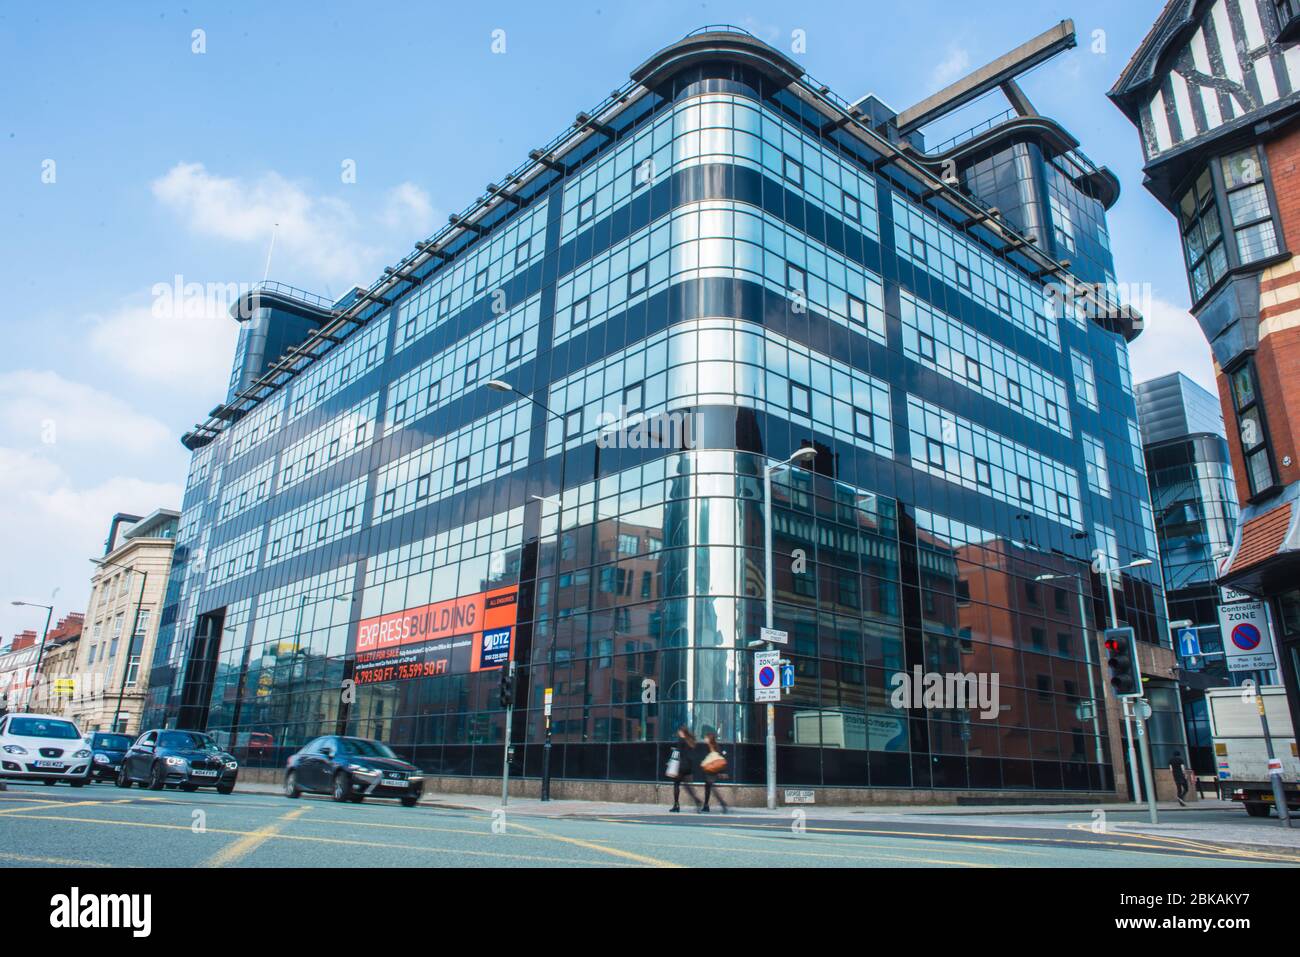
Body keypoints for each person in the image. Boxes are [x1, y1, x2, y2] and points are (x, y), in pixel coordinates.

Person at [668, 725, 701, 812]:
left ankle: (676, 805)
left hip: (681, 766)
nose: (678, 733)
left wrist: (673, 753)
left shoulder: (681, 740)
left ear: (681, 732)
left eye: (679, 732)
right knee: (687, 786)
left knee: (676, 784)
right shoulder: (690, 741)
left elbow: (678, 753)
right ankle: (697, 800)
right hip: (688, 767)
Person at [699, 730, 728, 813]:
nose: (704, 739)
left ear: (709, 739)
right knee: (708, 788)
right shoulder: (713, 746)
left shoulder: (711, 746)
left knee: (710, 788)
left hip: (710, 769)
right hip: (710, 769)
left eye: (705, 738)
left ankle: (721, 804)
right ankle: (706, 805)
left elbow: (715, 757)